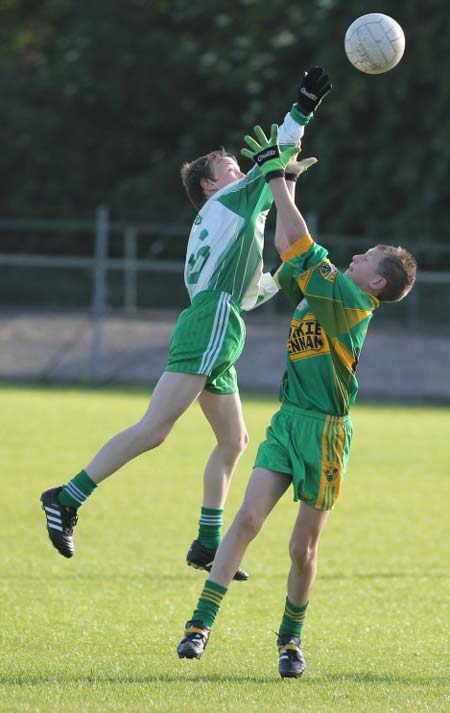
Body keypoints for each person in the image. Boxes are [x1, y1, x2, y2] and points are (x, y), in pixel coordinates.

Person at [40, 68, 333, 580]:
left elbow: (257, 285)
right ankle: (65, 497)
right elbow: (280, 152)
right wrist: (302, 107)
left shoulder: (225, 213)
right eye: (231, 167)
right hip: (214, 321)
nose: (242, 171)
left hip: (221, 318)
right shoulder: (230, 202)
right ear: (209, 184)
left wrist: (283, 183)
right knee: (155, 429)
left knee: (233, 441)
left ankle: (206, 542)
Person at [176, 124, 417, 677]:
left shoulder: (352, 300)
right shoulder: (324, 285)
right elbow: (291, 249)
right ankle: (199, 627)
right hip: (288, 423)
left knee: (301, 549)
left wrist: (280, 178)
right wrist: (280, 184)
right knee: (246, 520)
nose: (355, 256)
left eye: (366, 257)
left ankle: (290, 639)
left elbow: (296, 243)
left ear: (375, 284)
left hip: (328, 434)